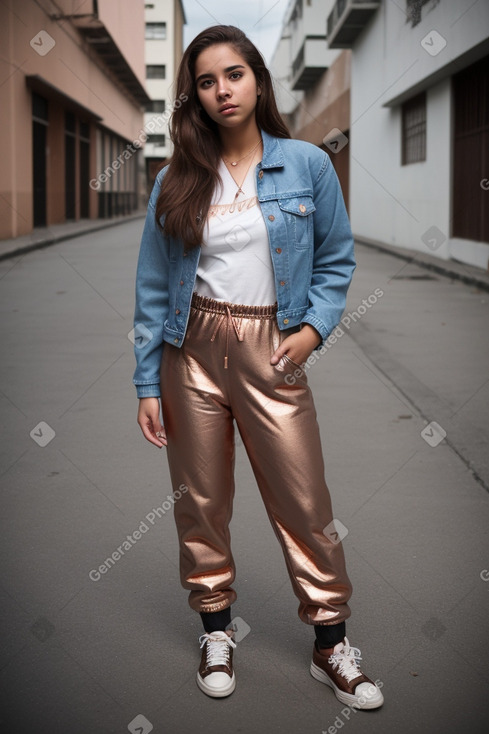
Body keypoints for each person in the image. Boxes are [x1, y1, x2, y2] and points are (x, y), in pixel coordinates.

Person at [133, 25, 384, 709]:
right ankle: (216, 630)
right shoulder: (176, 178)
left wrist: (311, 329)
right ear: (196, 97)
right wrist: (146, 381)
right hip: (190, 348)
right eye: (207, 81)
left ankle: (330, 643)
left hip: (271, 347)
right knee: (201, 501)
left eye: (234, 74)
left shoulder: (304, 164)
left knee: (304, 503)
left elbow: (336, 259)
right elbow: (154, 287)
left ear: (257, 80)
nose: (222, 90)